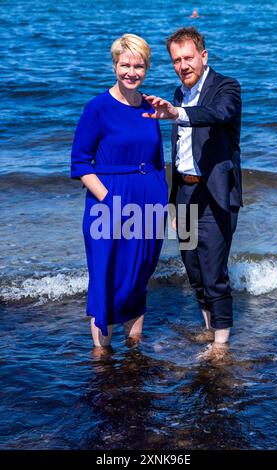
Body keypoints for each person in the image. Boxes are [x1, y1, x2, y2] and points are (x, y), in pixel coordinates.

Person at [143, 27, 242, 359]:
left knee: (214, 272)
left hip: (214, 196)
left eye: (188, 58)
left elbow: (218, 114)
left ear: (203, 56)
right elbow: (179, 154)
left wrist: (177, 114)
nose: (182, 65)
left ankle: (222, 346)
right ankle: (209, 329)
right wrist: (172, 203)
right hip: (184, 195)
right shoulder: (178, 93)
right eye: (176, 60)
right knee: (194, 268)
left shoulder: (226, 87)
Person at [71, 34, 168, 349]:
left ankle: (134, 348)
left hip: (149, 201)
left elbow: (158, 160)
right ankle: (101, 357)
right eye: (125, 64)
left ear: (146, 68)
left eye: (138, 66)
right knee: (105, 276)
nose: (131, 72)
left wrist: (166, 204)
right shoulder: (97, 108)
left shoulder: (151, 106)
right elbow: (81, 163)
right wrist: (110, 200)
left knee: (139, 273)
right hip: (109, 201)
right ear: (115, 65)